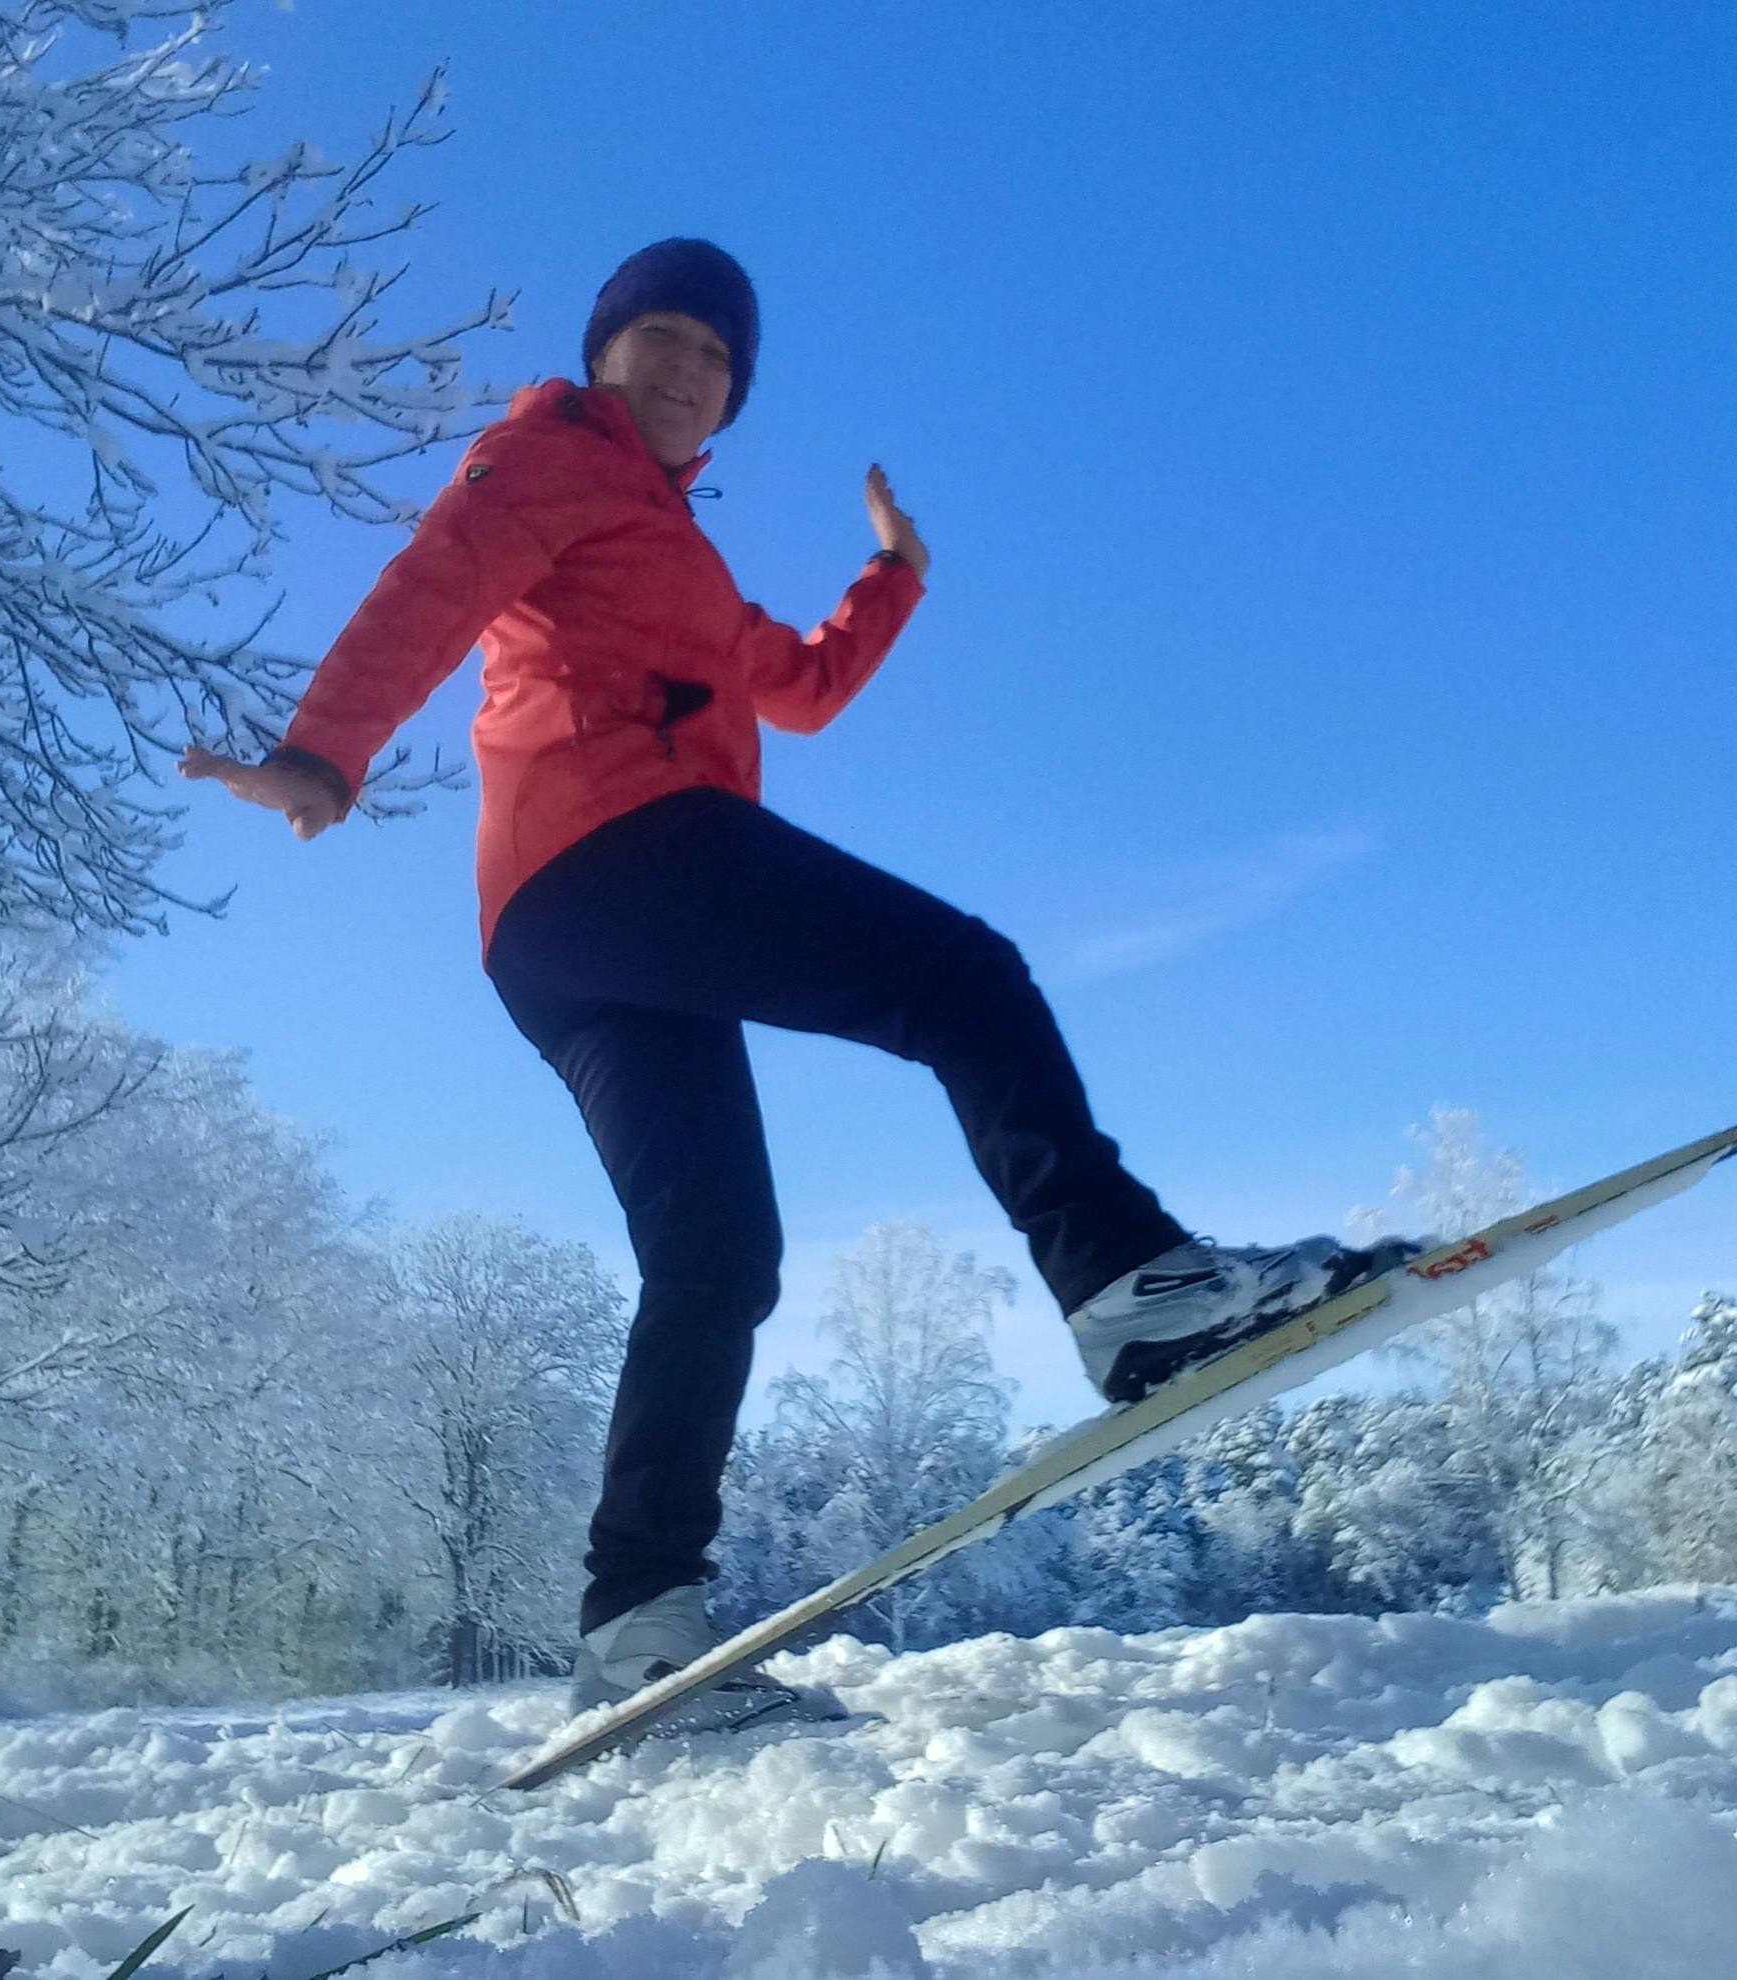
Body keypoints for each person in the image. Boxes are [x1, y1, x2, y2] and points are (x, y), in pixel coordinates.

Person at [180, 239, 1417, 1733]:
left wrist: (892, 577)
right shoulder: (548, 452)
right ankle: (1132, 1286)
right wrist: (326, 749)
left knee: (716, 1260)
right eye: (658, 341)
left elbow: (805, 689)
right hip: (611, 852)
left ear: (730, 403)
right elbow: (439, 578)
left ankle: (638, 1628)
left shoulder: (674, 550)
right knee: (963, 978)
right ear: (603, 357)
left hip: (571, 941)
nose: (685, 372)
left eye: (713, 359)